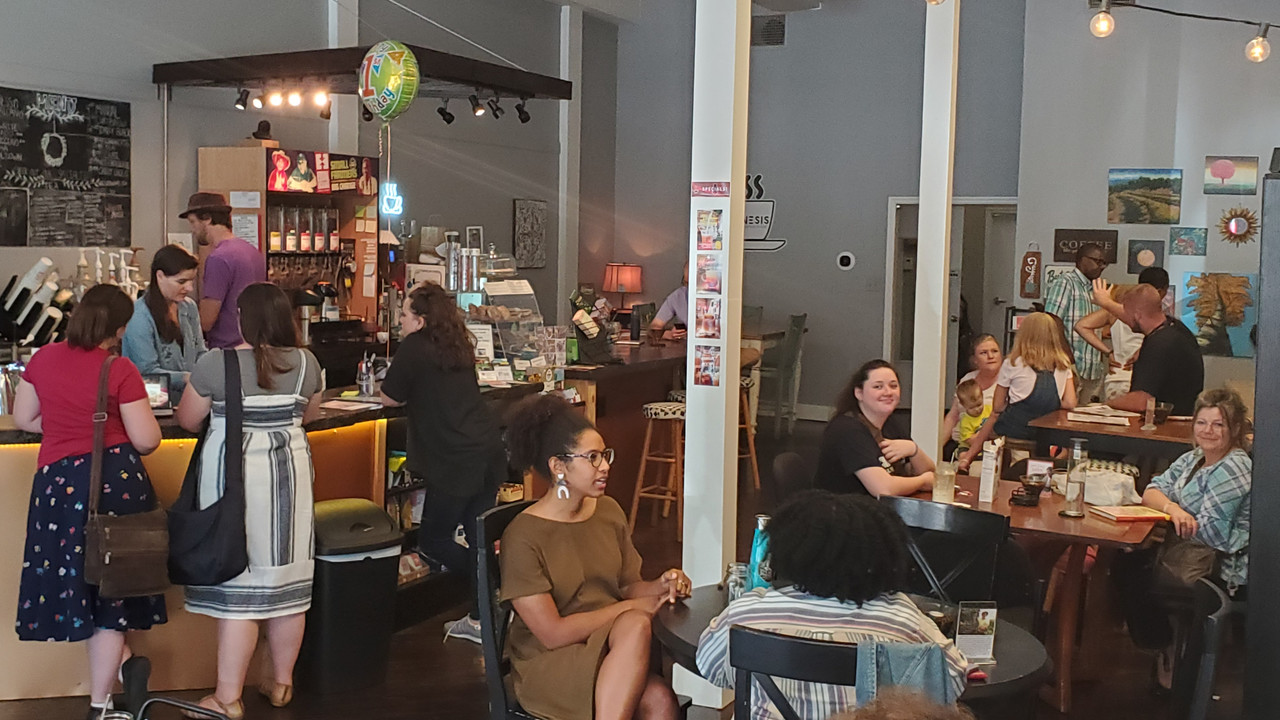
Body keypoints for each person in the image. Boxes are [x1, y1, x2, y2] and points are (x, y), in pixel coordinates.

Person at [12, 284, 165, 720]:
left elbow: (24, 418)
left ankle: (124, 670)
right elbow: (147, 439)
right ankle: (100, 706)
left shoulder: (42, 359)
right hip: (111, 484)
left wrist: (68, 428)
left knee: (82, 587)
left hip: (57, 488)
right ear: (119, 329)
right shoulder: (119, 369)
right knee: (110, 593)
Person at [175, 283, 324, 719]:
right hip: (291, 483)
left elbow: (188, 420)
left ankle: (227, 698)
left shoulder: (215, 364)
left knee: (239, 590)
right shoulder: (307, 363)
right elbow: (310, 415)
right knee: (287, 585)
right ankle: (281, 684)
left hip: (232, 486)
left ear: (243, 318)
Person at [696, 491, 968, 719]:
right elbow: (952, 680)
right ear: (883, 556)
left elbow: (710, 666)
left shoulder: (750, 612)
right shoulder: (901, 619)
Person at [500, 394, 689, 720]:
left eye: (604, 455)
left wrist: (662, 585)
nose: (605, 466)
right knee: (636, 626)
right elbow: (552, 634)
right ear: (558, 467)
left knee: (659, 699)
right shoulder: (522, 536)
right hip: (552, 660)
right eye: (592, 458)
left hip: (613, 645)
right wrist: (631, 608)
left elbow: (628, 586)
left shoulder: (608, 511)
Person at [379, 283, 506, 644]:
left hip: (453, 458)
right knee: (478, 538)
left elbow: (389, 397)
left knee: (433, 540)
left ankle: (493, 587)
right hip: (485, 449)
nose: (401, 321)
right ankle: (484, 615)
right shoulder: (457, 344)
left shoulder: (414, 347)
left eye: (405, 314)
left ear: (420, 320)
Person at [1113, 388, 1251, 687]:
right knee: (1124, 559)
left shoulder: (1234, 467)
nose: (1208, 431)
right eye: (1202, 422)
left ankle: (1168, 650)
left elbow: (1213, 533)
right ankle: (1167, 646)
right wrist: (1174, 510)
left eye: (1218, 424)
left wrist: (1173, 519)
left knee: (1132, 571)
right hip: (1186, 550)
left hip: (1219, 565)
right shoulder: (1196, 458)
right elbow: (1151, 491)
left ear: (1235, 428)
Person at [959, 313, 1077, 472]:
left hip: (1017, 429)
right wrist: (1051, 403)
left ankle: (968, 458)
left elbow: (998, 406)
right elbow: (1070, 402)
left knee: (994, 417)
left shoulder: (1013, 362)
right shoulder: (1063, 363)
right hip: (1047, 433)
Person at [814, 360, 936, 497]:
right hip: (843, 507)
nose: (888, 392)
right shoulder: (846, 429)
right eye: (878, 387)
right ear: (859, 393)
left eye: (893, 386)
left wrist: (914, 450)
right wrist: (922, 481)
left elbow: (930, 473)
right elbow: (883, 489)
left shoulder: (890, 423)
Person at [184, 192, 266, 349]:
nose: (192, 230)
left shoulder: (218, 258)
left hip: (227, 350)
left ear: (207, 218)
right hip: (255, 346)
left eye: (193, 222)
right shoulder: (253, 251)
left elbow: (207, 320)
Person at [122, 244, 206, 396]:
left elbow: (200, 352)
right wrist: (187, 378)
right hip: (153, 399)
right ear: (159, 276)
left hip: (191, 396)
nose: (190, 288)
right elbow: (147, 372)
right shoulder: (139, 315)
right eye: (181, 282)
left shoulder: (189, 307)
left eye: (192, 281)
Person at [1107, 285, 1203, 416]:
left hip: (1167, 421)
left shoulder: (1158, 344)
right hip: (1185, 414)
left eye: (1126, 313)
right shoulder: (1176, 328)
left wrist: (1106, 404)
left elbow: (1140, 402)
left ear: (1137, 315)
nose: (1125, 321)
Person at [1075, 271, 1171, 400]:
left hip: (1115, 377)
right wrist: (1141, 351)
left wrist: (1108, 352)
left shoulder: (1114, 311)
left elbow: (1081, 325)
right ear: (1159, 291)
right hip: (1138, 378)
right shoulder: (1154, 317)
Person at [1043, 243, 1109, 403]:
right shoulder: (1065, 282)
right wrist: (1067, 359)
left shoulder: (1096, 289)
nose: (1101, 267)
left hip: (1092, 368)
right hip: (1071, 365)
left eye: (1104, 263)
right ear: (1082, 260)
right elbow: (1052, 321)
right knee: (1067, 413)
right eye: (1097, 261)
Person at [941, 334, 1003, 457]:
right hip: (961, 444)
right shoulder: (968, 379)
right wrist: (935, 447)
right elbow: (953, 416)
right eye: (983, 353)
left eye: (994, 351)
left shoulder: (1007, 381)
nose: (990, 356)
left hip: (991, 446)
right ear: (975, 359)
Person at [648, 262, 689, 340]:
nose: (689, 287)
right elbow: (654, 327)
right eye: (686, 283)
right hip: (685, 345)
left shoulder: (713, 297)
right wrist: (668, 334)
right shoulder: (678, 296)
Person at [953, 379, 989, 453]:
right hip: (968, 447)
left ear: (982, 397)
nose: (977, 409)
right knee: (963, 454)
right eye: (972, 408)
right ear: (963, 405)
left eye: (979, 404)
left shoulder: (990, 410)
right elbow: (971, 441)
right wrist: (985, 432)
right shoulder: (965, 422)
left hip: (988, 446)